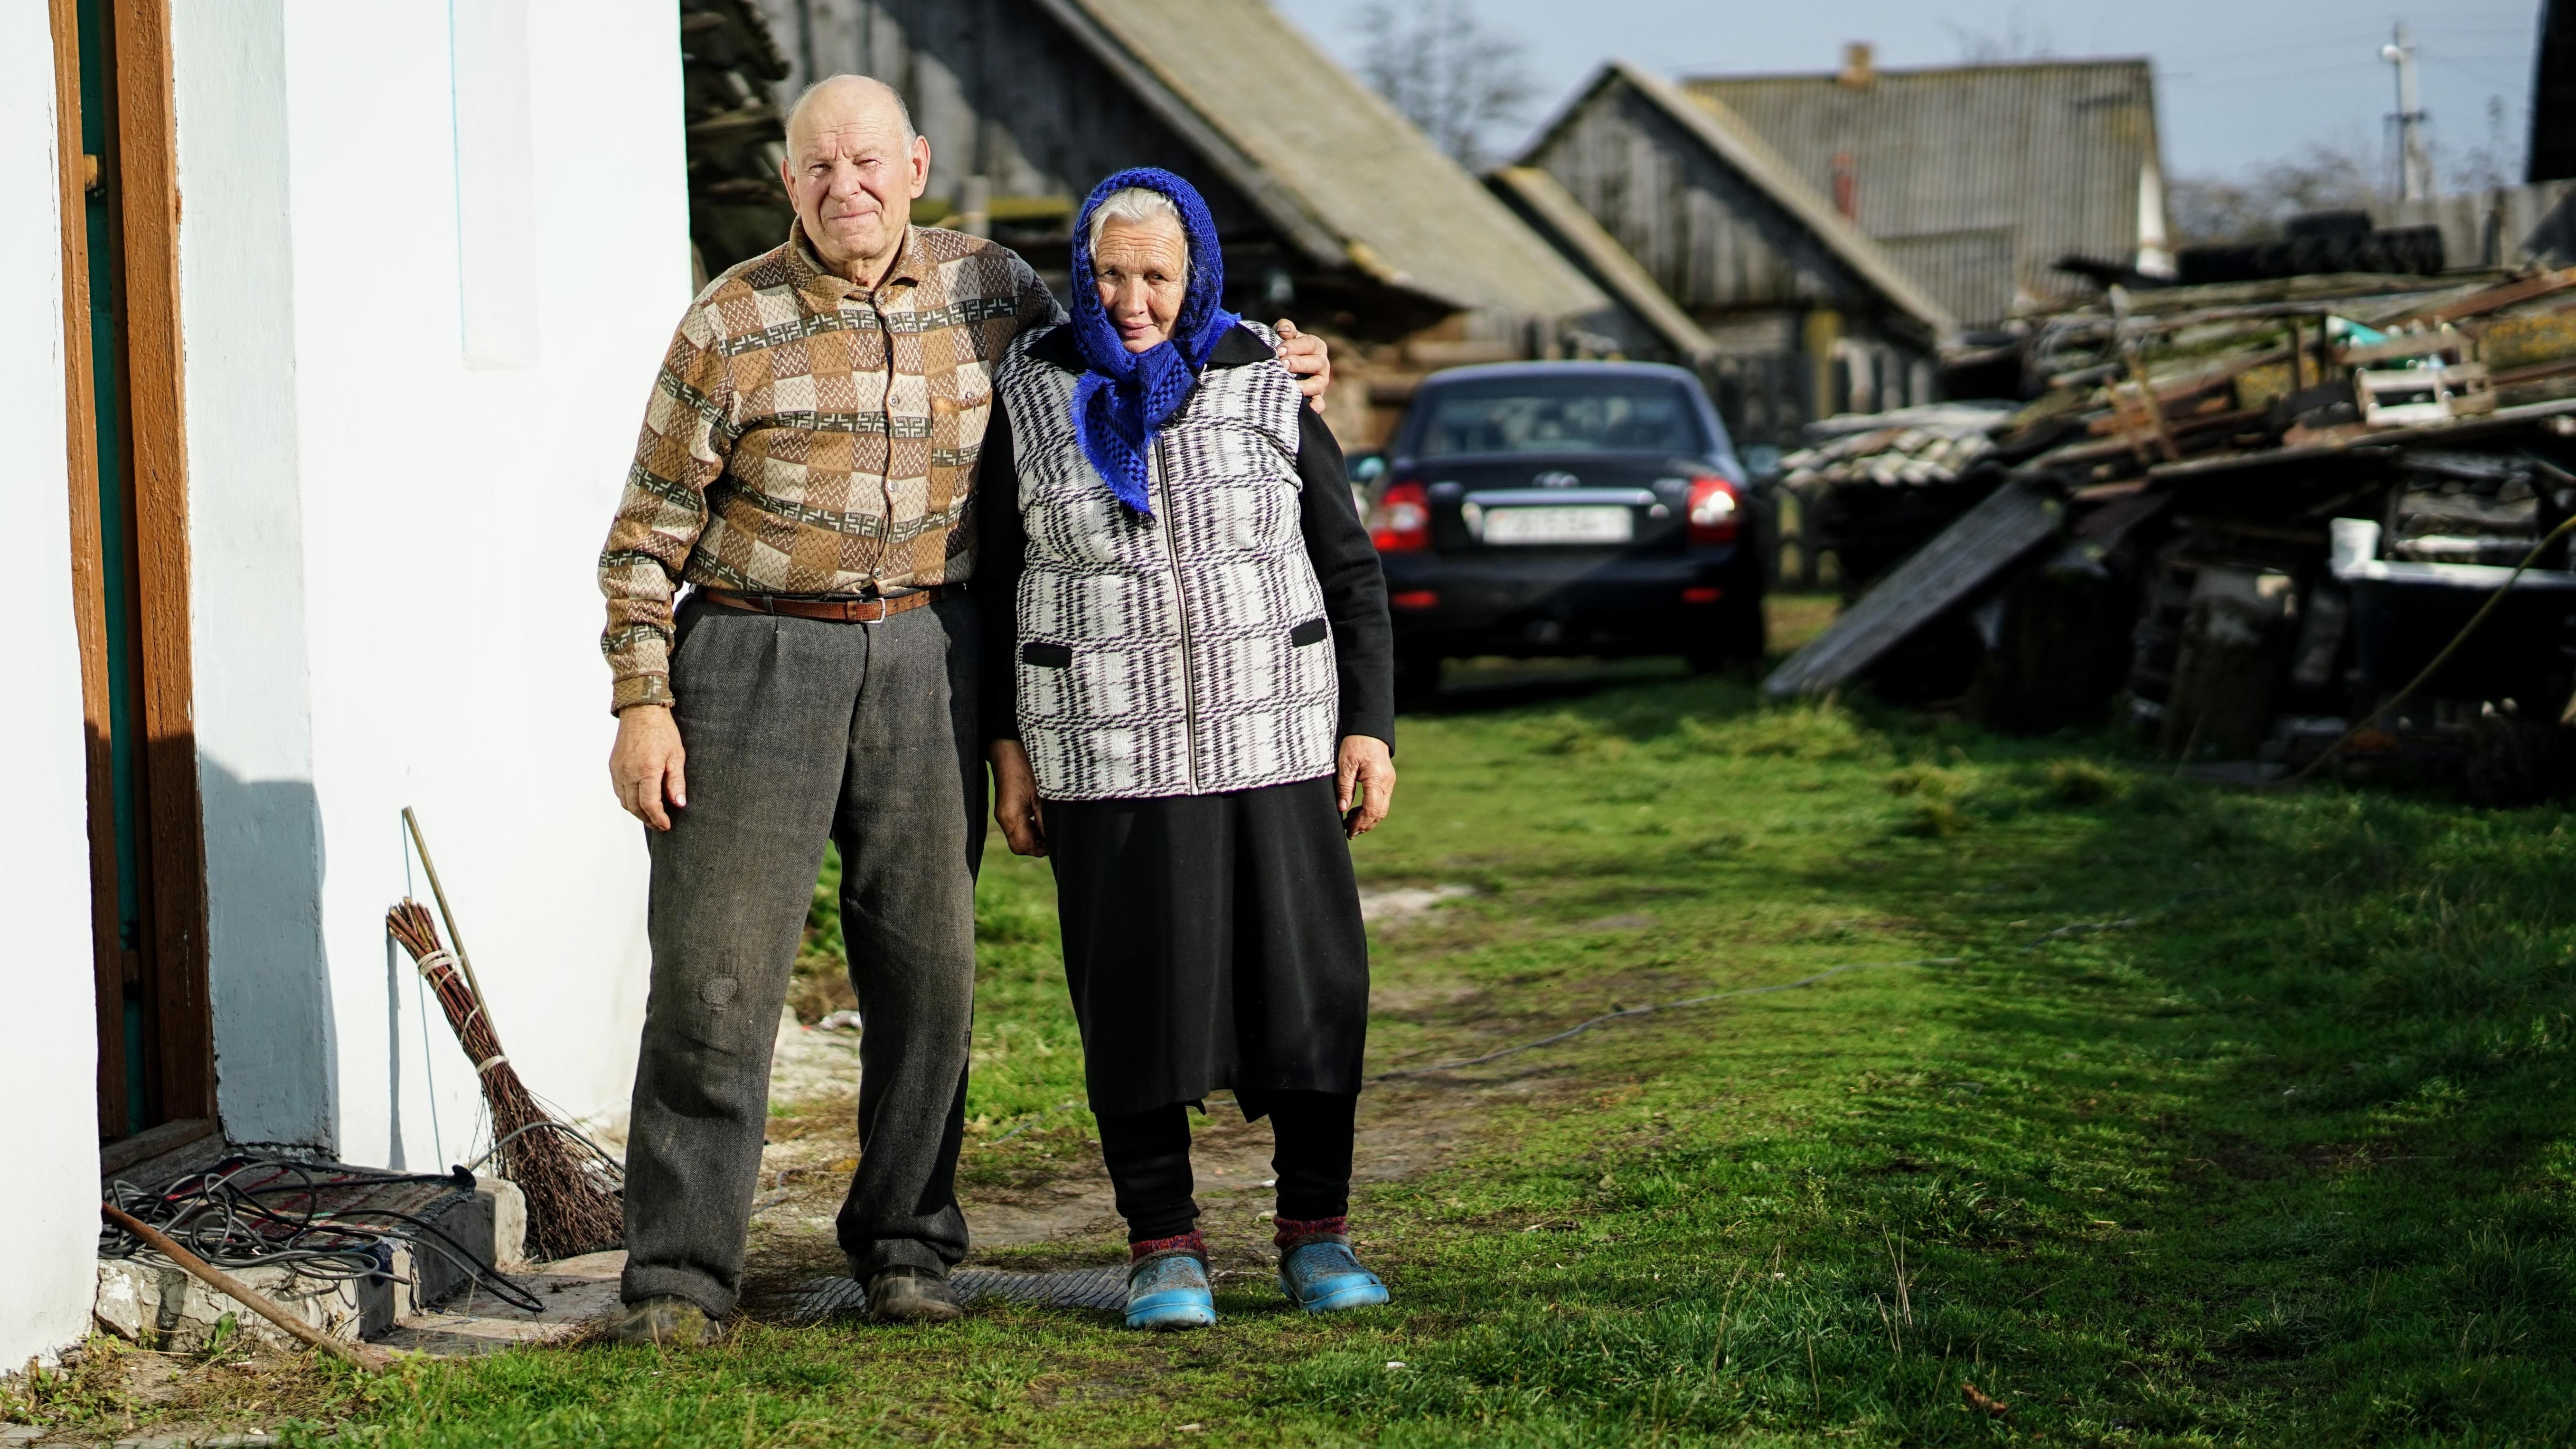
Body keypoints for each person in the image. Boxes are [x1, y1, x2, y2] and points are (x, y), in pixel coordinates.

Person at [598, 78, 1332, 1345]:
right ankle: (680, 1270)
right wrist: (642, 703)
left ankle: (906, 1243)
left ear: (918, 164)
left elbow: (1133, 337)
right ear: (790, 183)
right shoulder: (727, 320)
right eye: (821, 166)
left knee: (927, 972)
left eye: (870, 161)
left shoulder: (994, 290)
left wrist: (1281, 352)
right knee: (716, 979)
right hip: (753, 657)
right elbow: (643, 539)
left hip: (933, 651)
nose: (849, 187)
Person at [978, 168, 1398, 1331]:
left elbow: (1347, 563)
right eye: (1110, 273)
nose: (1130, 298)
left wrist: (1367, 722)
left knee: (1307, 992)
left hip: (1270, 735)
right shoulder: (1030, 388)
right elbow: (999, 584)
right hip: (1102, 751)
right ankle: (1164, 1245)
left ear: (1195, 272)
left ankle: (1316, 1232)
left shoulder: (1265, 376)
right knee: (1132, 1003)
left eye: (1155, 275)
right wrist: (1006, 751)